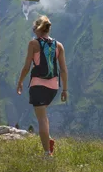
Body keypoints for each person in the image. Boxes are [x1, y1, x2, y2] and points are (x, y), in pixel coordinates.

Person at [16, 15, 68, 157]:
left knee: (42, 119)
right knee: (43, 115)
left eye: (34, 29)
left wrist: (20, 81)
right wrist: (64, 89)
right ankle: (48, 140)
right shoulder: (59, 46)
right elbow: (63, 69)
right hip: (53, 87)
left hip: (38, 85)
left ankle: (47, 154)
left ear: (37, 29)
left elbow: (27, 66)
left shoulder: (33, 44)